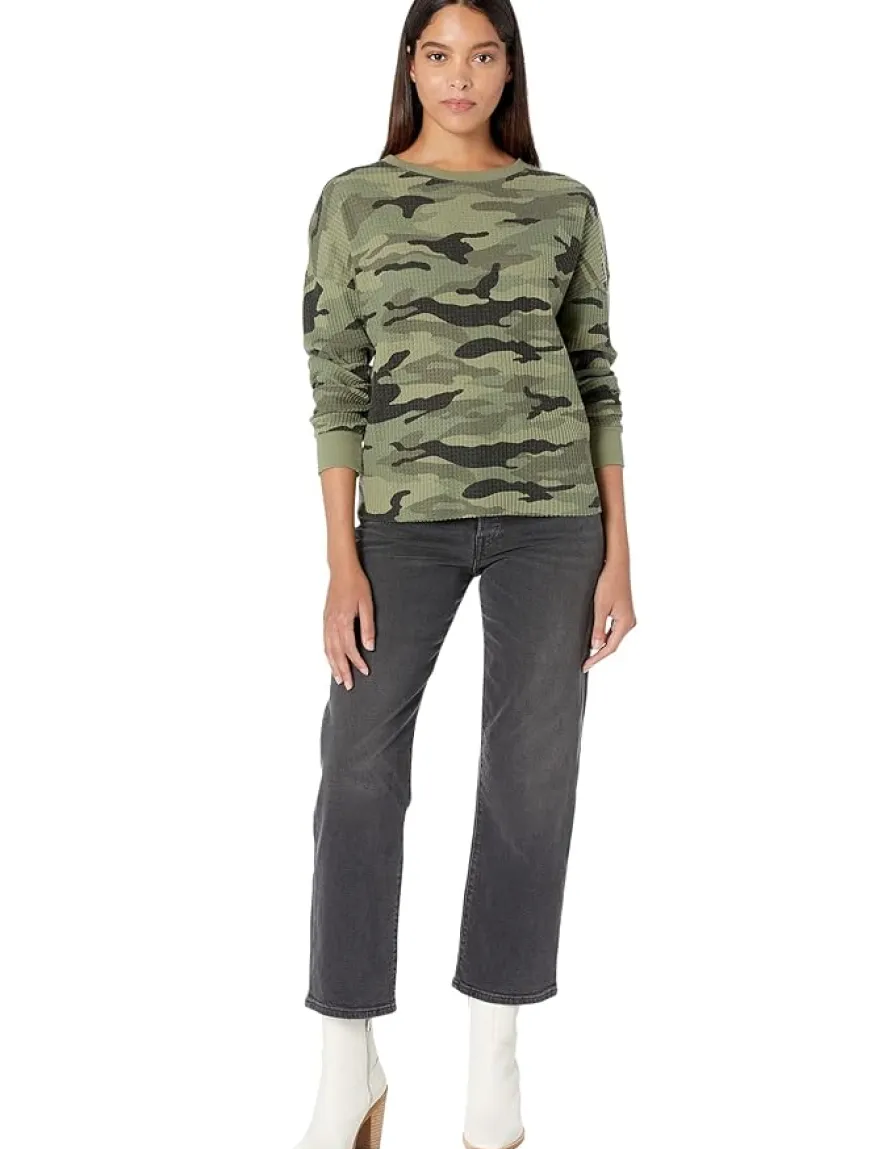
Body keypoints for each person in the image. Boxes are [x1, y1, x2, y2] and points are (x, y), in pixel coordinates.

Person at [293, 1, 637, 1146]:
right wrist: (338, 557)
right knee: (355, 771)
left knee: (530, 781)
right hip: (399, 522)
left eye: (481, 55)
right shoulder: (353, 199)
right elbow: (335, 378)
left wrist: (618, 551)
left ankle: (495, 1070)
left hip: (553, 520)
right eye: (438, 55)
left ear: (506, 68)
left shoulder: (562, 203)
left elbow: (595, 374)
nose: (460, 76)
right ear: (410, 66)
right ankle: (347, 1060)